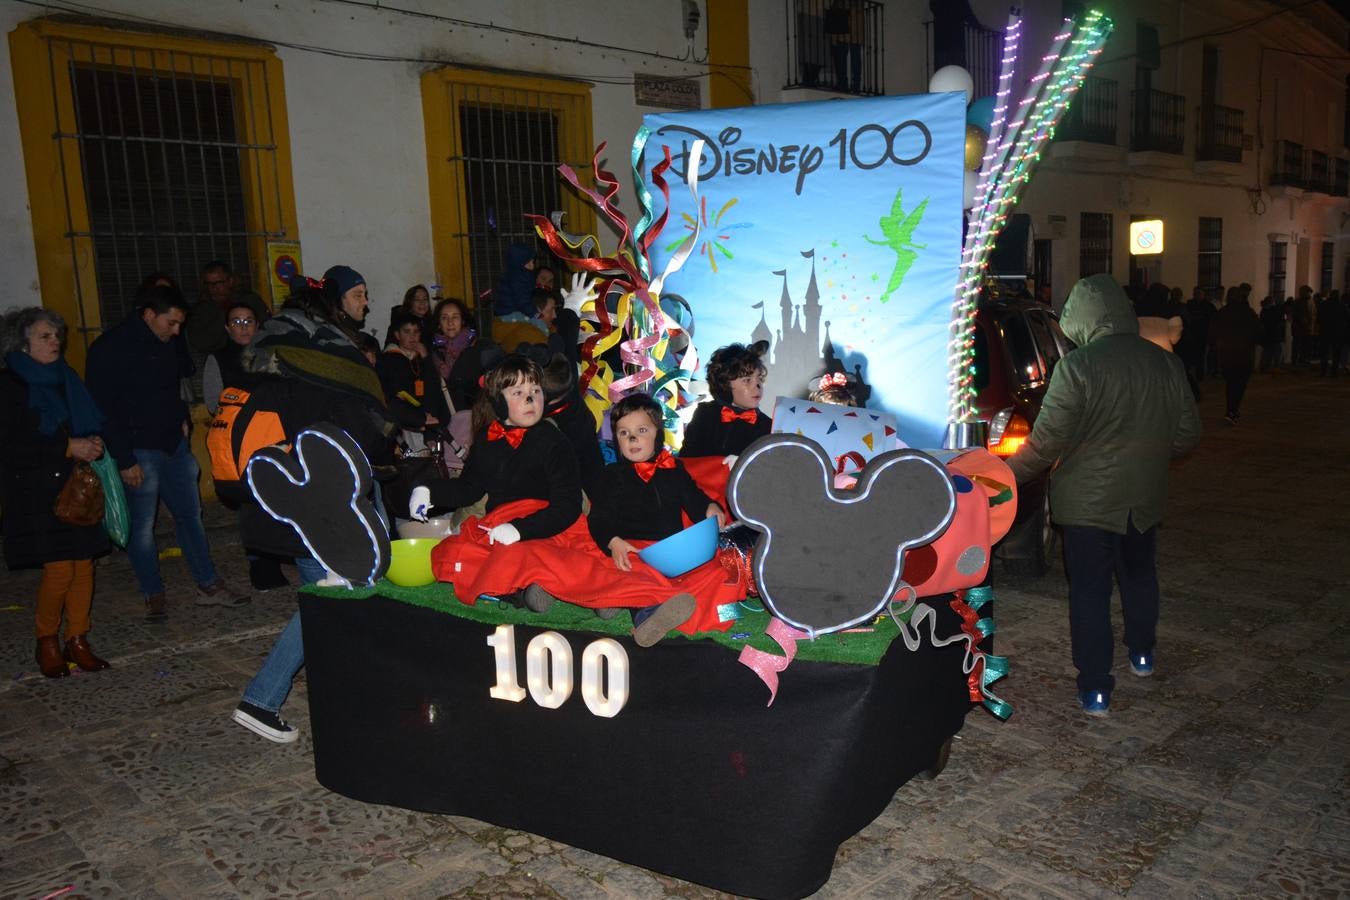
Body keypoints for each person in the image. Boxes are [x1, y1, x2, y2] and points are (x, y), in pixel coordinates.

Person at [1007, 274, 1200, 717]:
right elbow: (1187, 434)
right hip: (1144, 496)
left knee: (1090, 592)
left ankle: (1096, 688)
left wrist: (1002, 476)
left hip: (1087, 505)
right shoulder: (1166, 363)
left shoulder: (1078, 367)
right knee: (1139, 574)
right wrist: (1150, 453)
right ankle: (1143, 654)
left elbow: (1045, 445)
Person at [231, 268, 398, 743]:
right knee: (331, 601)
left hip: (291, 496)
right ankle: (262, 698)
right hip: (329, 499)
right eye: (358, 296)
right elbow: (354, 423)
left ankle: (350, 697)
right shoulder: (323, 355)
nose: (365, 304)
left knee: (332, 603)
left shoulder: (273, 350)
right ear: (332, 304)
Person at [86, 284, 248, 621]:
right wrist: (124, 458)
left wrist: (183, 422)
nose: (176, 332)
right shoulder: (110, 348)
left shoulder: (167, 344)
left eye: (180, 325)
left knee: (191, 517)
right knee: (142, 528)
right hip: (137, 450)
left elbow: (174, 389)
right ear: (148, 315)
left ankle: (208, 585)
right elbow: (103, 409)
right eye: (171, 323)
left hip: (174, 445)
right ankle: (153, 592)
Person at [409, 354, 583, 605]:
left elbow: (567, 505)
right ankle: (525, 590)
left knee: (534, 556)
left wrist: (521, 530)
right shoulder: (487, 441)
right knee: (453, 553)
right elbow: (469, 489)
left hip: (545, 527)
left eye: (536, 390)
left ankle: (536, 589)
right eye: (518, 392)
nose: (531, 398)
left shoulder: (554, 442)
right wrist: (428, 490)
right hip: (500, 526)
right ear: (499, 403)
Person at [1, 307, 113, 678]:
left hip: (74, 488)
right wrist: (68, 448)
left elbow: (81, 422)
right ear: (23, 343)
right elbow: (12, 447)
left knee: (84, 566)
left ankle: (77, 638)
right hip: (36, 491)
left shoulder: (66, 377)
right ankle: (46, 639)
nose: (55, 343)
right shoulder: (11, 385)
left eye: (56, 336)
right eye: (44, 337)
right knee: (59, 570)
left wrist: (92, 442)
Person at [680, 341, 772, 458]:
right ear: (725, 384)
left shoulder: (768, 426)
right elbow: (687, 460)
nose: (758, 386)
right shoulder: (705, 413)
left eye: (759, 378)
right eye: (747, 380)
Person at [1211, 286, 1261, 424]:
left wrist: (1217, 345)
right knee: (1240, 383)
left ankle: (1231, 409)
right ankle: (1233, 409)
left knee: (1230, 382)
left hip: (1227, 353)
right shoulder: (1248, 313)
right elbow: (1258, 331)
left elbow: (1214, 331)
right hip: (1243, 354)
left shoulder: (1223, 313)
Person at [202, 301, 261, 415]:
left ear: (257, 326)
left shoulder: (269, 355)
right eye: (236, 322)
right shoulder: (218, 359)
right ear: (228, 328)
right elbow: (213, 404)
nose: (244, 327)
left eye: (249, 321)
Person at [383, 284, 434, 355]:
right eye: (417, 299)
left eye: (425, 299)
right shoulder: (400, 324)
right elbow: (390, 350)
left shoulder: (432, 323)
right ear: (410, 303)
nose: (422, 303)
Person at [492, 243, 538, 318]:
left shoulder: (513, 274)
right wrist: (534, 313)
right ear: (520, 262)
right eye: (529, 262)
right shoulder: (519, 277)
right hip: (511, 314)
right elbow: (521, 300)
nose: (532, 266)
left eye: (533, 262)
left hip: (508, 312)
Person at [1258, 296, 1286, 374]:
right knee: (1276, 352)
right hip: (1274, 335)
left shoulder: (1264, 310)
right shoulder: (1274, 310)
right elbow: (1278, 322)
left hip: (1268, 335)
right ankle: (1274, 367)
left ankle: (1265, 367)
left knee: (1267, 353)